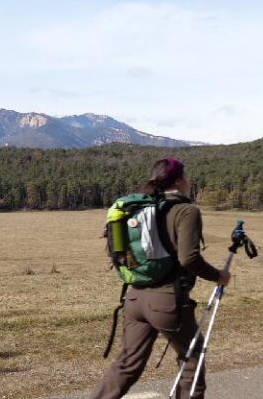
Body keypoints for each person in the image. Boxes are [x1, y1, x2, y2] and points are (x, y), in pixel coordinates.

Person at [90, 158, 230, 399]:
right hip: (166, 299)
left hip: (134, 297)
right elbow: (189, 259)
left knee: (127, 364)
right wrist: (219, 276)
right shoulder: (187, 210)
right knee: (191, 358)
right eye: (186, 175)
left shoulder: (144, 208)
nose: (189, 179)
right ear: (178, 181)